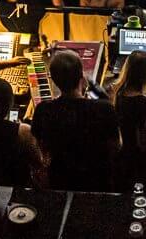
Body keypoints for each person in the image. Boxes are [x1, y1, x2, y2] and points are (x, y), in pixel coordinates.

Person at [30, 47, 120, 191]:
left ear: (53, 80)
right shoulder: (104, 109)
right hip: (98, 182)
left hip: (59, 182)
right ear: (82, 77)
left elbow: (39, 148)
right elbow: (116, 147)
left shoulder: (43, 110)